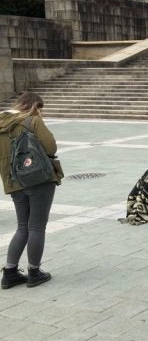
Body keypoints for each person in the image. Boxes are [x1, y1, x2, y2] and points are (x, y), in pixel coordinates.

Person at [0, 93, 63, 289]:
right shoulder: (33, 120)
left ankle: (9, 273)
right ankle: (34, 272)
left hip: (13, 181)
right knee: (36, 227)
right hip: (38, 179)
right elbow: (51, 147)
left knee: (22, 227)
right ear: (35, 106)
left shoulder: (2, 124)